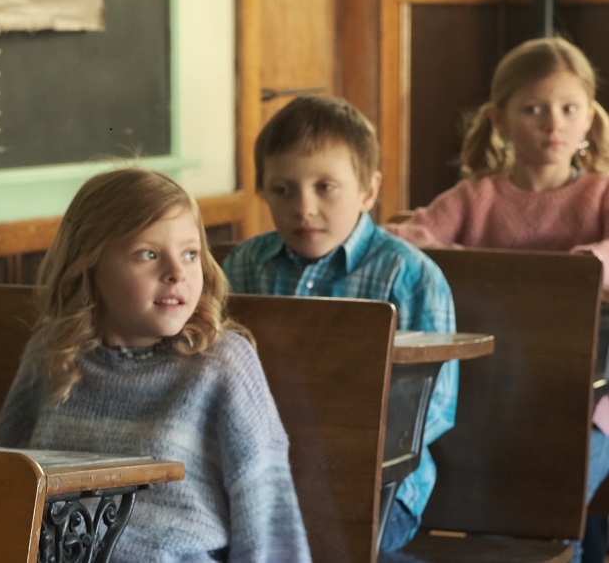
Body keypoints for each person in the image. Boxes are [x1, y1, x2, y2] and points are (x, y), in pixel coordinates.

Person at [0, 167, 312, 563]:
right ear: (89, 265)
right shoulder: (51, 353)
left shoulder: (223, 363)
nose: (177, 273)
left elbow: (266, 508)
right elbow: (3, 482)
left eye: (190, 254)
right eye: (148, 254)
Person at [385, 35, 609, 563]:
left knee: (559, 491)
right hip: (490, 389)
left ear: (588, 119)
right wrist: (466, 257)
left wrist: (588, 261)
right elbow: (406, 241)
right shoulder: (475, 197)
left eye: (568, 108)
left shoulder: (600, 194)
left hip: (589, 397)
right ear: (500, 119)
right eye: (533, 109)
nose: (552, 123)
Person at [222, 94, 458, 553]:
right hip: (258, 472)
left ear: (368, 191)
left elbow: (436, 404)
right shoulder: (246, 264)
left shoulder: (408, 275)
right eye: (282, 189)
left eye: (324, 187)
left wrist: (341, 450)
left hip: (378, 485)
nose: (303, 207)